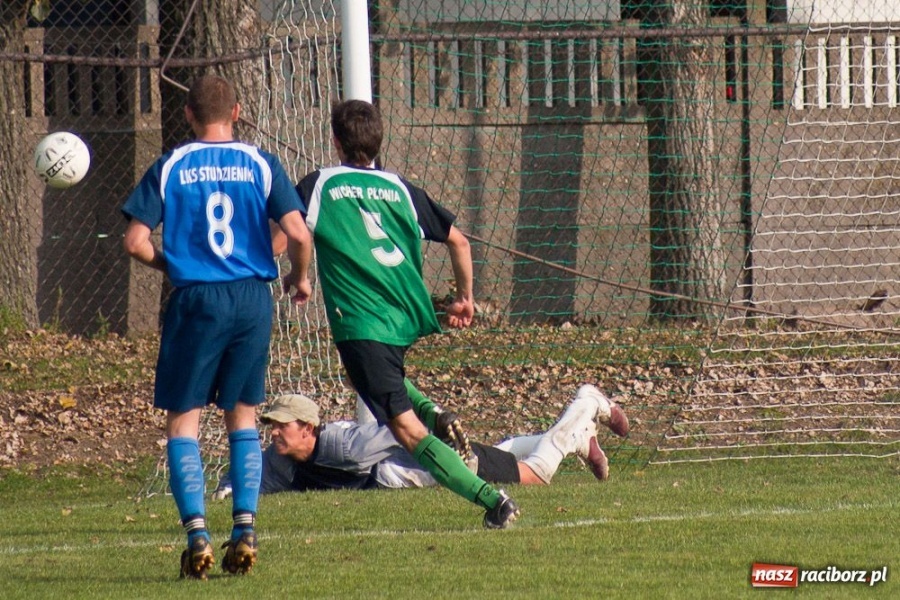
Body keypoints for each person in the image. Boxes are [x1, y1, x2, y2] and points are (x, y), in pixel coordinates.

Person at [289, 99, 519, 528]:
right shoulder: (401, 189)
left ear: (335, 140)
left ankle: (493, 500)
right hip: (399, 321)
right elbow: (460, 242)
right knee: (363, 380)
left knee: (407, 431)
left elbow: (293, 233)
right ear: (378, 141)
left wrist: (297, 276)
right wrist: (465, 297)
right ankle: (434, 414)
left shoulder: (319, 184)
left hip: (363, 323)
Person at [121, 74, 313, 580]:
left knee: (183, 421)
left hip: (195, 300)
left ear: (187, 115)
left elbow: (135, 241)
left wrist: (174, 265)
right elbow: (297, 232)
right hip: (252, 299)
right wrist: (299, 276)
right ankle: (245, 530)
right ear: (238, 111)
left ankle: (198, 537)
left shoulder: (171, 165)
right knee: (243, 416)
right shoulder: (259, 162)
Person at [212, 384, 629, 498]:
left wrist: (451, 457)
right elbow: (247, 480)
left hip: (428, 467)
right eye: (271, 424)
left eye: (281, 425)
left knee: (535, 477)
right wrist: (227, 489)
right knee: (501, 453)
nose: (273, 432)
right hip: (411, 472)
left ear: (308, 427)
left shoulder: (346, 446)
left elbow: (408, 432)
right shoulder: (280, 460)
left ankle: (583, 405)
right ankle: (579, 438)